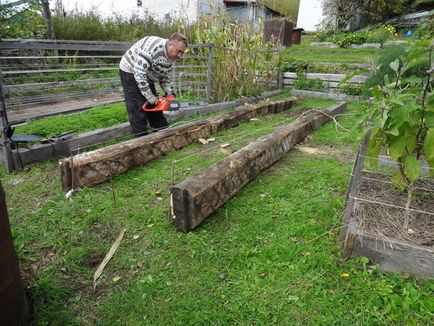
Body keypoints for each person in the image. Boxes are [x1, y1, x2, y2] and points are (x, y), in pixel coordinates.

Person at [119, 32, 188, 136]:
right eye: (179, 51)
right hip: (131, 70)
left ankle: (163, 134)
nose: (180, 55)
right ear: (170, 44)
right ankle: (141, 141)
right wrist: (149, 96)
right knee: (138, 107)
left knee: (155, 106)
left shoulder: (171, 56)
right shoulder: (153, 49)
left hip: (147, 75)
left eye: (182, 52)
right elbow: (138, 73)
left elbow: (163, 75)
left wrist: (168, 92)